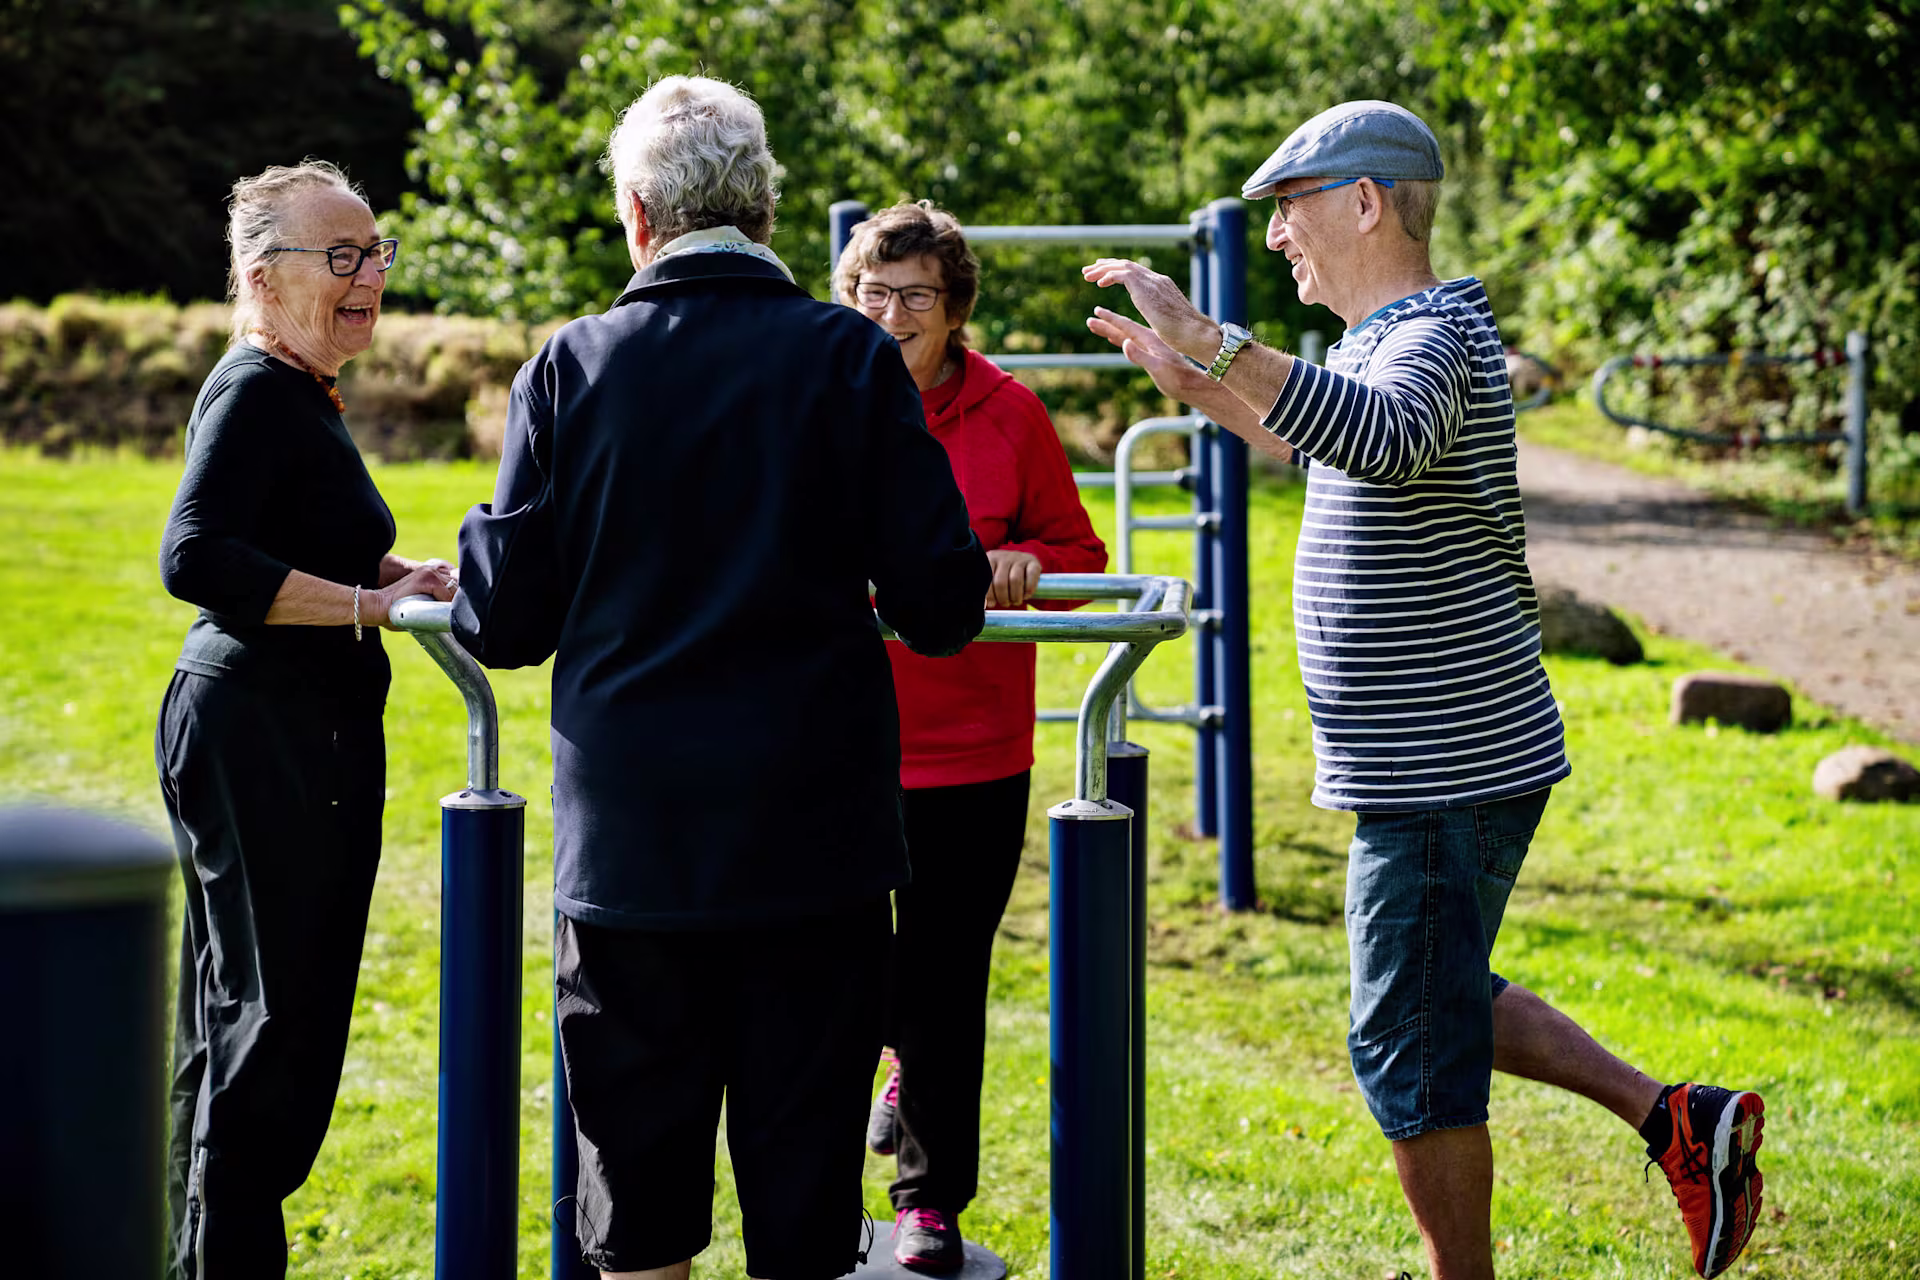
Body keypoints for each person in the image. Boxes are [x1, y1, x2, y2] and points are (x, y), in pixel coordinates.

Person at [1082, 101, 1766, 1280]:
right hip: (1429, 759)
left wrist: (1216, 338)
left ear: (1364, 201)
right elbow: (1319, 441)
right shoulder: (1372, 343)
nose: (1278, 235)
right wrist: (1198, 380)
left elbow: (1386, 435)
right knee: (1431, 997)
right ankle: (1679, 1119)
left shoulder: (1435, 338)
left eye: (1289, 210)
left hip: (1449, 763)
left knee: (1406, 1038)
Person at [449, 78, 988, 1280]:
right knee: (802, 1215)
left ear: (639, 216)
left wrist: (486, 536)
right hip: (816, 844)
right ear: (764, 210)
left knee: (638, 1215)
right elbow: (942, 605)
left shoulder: (569, 368)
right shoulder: (851, 359)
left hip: (633, 849)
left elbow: (504, 620)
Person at [155, 160, 456, 1279]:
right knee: (267, 1028)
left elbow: (286, 532)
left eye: (375, 252)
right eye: (340, 255)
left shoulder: (297, 390)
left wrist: (388, 575)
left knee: (254, 1015)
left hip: (291, 730)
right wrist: (367, 608)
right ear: (261, 278)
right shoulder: (254, 388)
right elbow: (196, 555)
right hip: (260, 732)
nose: (369, 274)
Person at [833, 201, 1108, 1272]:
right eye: (874, 292)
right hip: (843, 739)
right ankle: (870, 1098)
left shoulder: (1010, 414)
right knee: (844, 966)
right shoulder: (823, 398)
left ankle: (929, 1202)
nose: (891, 315)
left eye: (916, 297)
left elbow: (1081, 557)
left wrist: (1028, 561)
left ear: (955, 312)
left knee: (948, 977)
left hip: (977, 749)